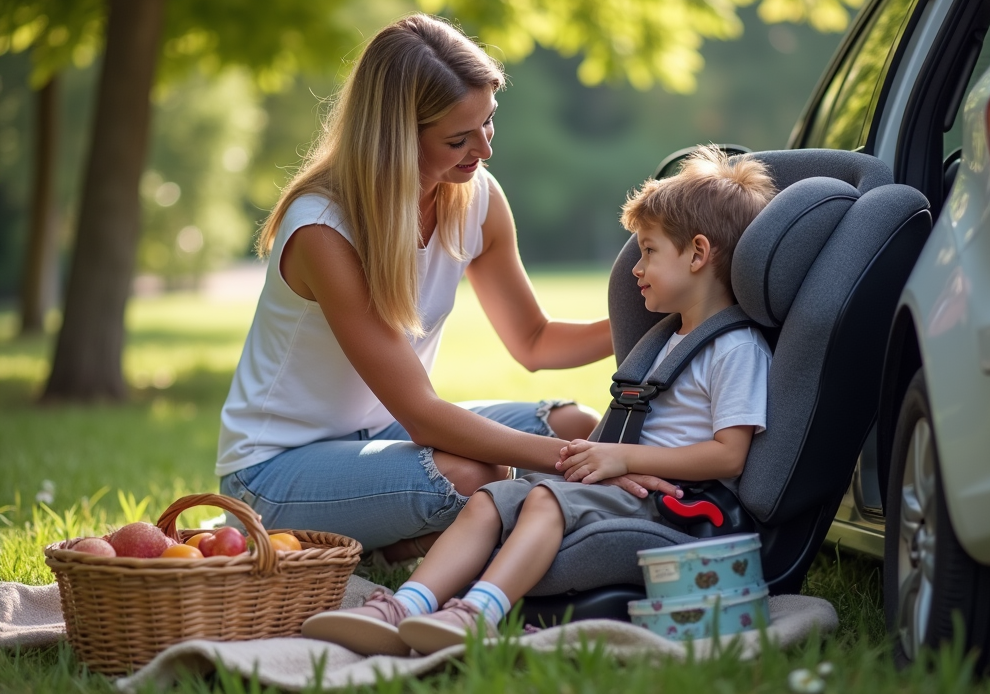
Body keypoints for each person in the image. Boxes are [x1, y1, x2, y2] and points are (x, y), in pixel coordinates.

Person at [216, 13, 677, 567]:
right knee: (471, 475)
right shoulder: (324, 229)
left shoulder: (474, 197)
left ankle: (443, 538)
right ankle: (389, 552)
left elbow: (534, 341)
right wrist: (591, 462)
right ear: (394, 138)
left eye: (489, 122)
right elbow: (423, 417)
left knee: (575, 423)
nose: (483, 149)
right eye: (458, 138)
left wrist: (658, 318)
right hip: (275, 470)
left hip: (379, 433)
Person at [302, 146, 777, 656]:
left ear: (698, 254)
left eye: (649, 251)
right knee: (494, 498)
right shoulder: (667, 338)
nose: (636, 268)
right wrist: (600, 458)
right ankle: (402, 606)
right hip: (627, 483)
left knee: (547, 497)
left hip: (676, 502)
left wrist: (623, 458)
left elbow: (730, 455)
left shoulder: (734, 350)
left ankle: (477, 612)